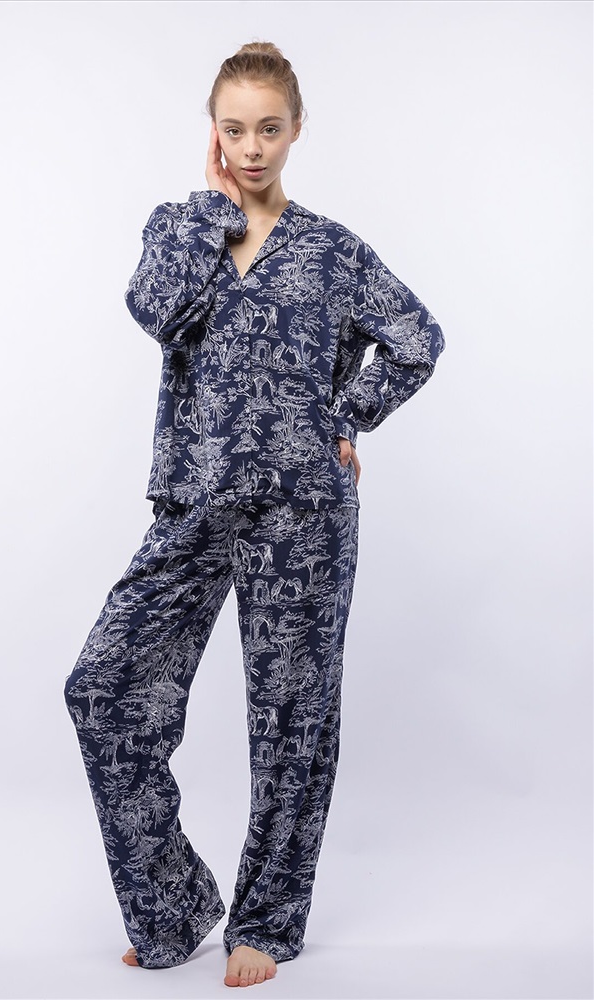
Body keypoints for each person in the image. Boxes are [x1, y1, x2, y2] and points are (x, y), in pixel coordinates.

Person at [63, 40, 445, 989]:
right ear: (213, 133)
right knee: (103, 691)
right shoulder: (180, 228)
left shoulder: (332, 251)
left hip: (302, 512)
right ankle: (172, 907)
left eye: (268, 129)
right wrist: (210, 213)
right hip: (193, 502)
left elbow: (416, 337)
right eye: (233, 130)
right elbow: (154, 311)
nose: (251, 148)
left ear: (296, 129)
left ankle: (266, 922)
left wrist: (346, 417)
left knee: (291, 723)